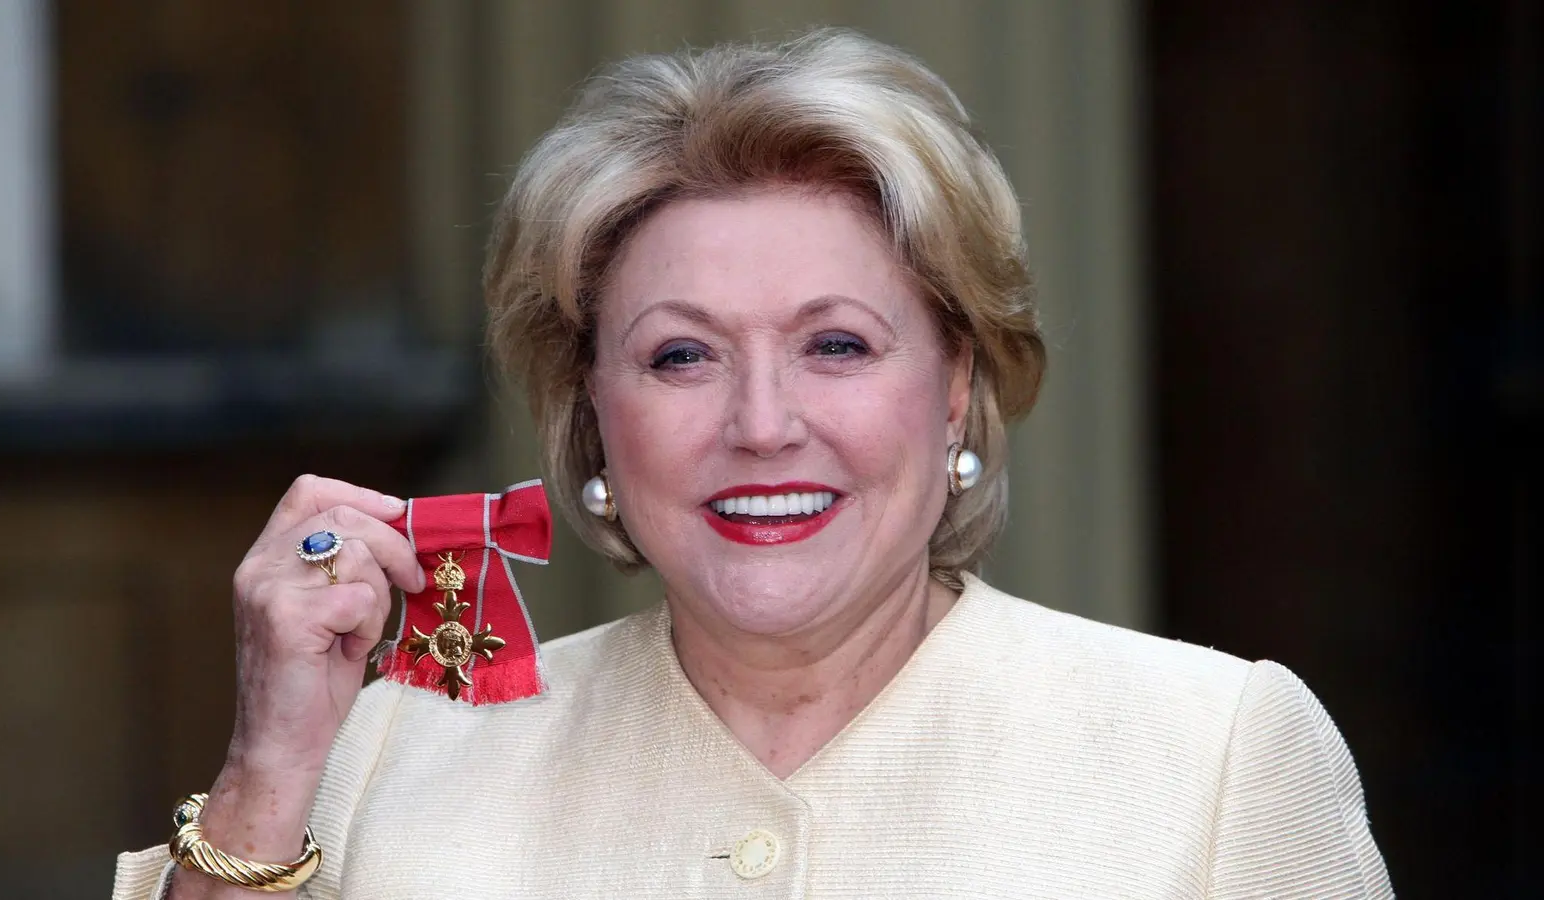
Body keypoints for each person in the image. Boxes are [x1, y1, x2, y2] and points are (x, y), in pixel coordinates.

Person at [115, 28, 1393, 899]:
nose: (763, 422)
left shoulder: (1219, 752)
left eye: (836, 344)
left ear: (953, 388)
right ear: (591, 414)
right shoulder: (390, 750)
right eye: (681, 358)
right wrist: (266, 775)